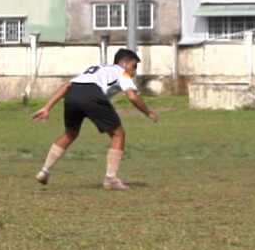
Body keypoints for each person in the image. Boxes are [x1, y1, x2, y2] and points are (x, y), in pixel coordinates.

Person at [28, 48, 159, 190]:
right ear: (123, 63)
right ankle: (111, 179)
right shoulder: (122, 72)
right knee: (118, 134)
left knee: (70, 134)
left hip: (73, 93)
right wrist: (148, 112)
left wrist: (47, 107)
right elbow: (132, 96)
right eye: (134, 66)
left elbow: (66, 86)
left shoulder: (97, 69)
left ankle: (44, 171)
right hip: (92, 94)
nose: (134, 71)